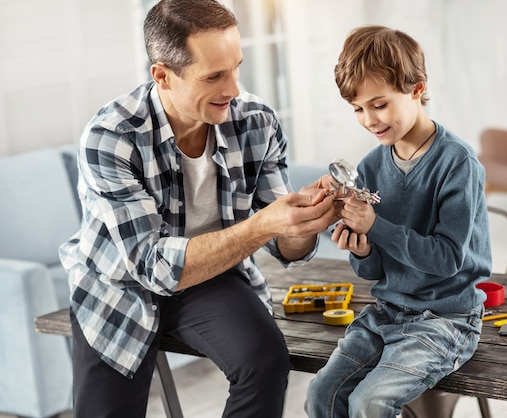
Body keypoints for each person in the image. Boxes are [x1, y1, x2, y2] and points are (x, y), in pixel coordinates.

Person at [59, 1, 337, 417]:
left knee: (265, 361)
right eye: (214, 76)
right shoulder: (111, 136)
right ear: (163, 75)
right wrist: (262, 225)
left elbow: (286, 249)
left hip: (211, 277)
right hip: (120, 287)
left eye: (236, 68)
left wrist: (303, 224)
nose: (233, 89)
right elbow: (150, 266)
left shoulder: (256, 121)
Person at [304, 25, 492, 418]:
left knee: (369, 404)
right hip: (388, 313)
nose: (369, 120)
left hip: (447, 318)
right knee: (321, 394)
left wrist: (377, 227)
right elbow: (374, 271)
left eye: (380, 104)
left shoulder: (457, 163)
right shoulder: (371, 167)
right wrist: (363, 247)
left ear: (417, 89)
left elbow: (447, 260)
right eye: (358, 109)